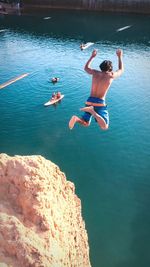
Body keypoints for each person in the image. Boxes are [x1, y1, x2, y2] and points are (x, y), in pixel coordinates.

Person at [69, 49, 124, 130]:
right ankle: (92, 112)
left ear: (101, 67)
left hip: (89, 101)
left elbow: (86, 68)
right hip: (99, 103)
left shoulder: (95, 72)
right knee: (104, 127)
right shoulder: (111, 75)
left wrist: (92, 56)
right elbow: (121, 70)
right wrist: (119, 57)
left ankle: (76, 119)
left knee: (86, 123)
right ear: (110, 69)